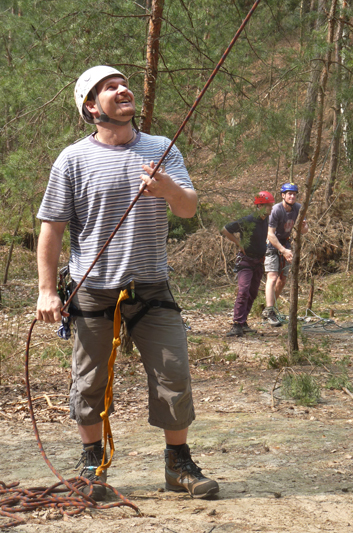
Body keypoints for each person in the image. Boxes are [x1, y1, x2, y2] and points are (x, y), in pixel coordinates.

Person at [36, 65, 219, 501]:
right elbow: (52, 229)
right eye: (109, 87)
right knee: (88, 383)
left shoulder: (161, 149)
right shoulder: (72, 159)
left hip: (152, 288)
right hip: (92, 290)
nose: (123, 89)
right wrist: (46, 291)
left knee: (174, 376)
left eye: (123, 83)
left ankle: (178, 466)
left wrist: (168, 189)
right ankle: (91, 465)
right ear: (90, 107)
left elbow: (189, 209)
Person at [222, 191, 275, 337]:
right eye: (268, 206)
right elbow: (226, 229)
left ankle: (243, 322)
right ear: (259, 206)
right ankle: (237, 324)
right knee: (243, 290)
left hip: (259, 261)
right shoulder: (249, 220)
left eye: (271, 206)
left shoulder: (266, 220)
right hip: (246, 260)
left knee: (252, 292)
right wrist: (239, 243)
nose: (270, 209)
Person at [263, 182, 308, 327]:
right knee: (272, 276)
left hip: (285, 243)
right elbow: (270, 234)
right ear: (283, 195)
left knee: (282, 279)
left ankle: (270, 308)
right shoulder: (276, 210)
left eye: (294, 194)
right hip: (272, 244)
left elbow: (304, 231)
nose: (292, 196)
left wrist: (304, 226)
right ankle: (270, 310)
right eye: (289, 194)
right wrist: (283, 250)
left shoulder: (299, 208)